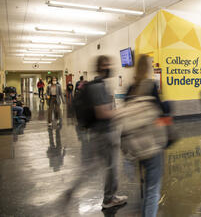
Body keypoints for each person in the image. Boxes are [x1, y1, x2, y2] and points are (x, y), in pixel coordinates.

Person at [65, 56, 127, 209]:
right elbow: (102, 113)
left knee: (92, 167)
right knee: (111, 167)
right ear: (100, 67)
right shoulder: (98, 86)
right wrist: (121, 112)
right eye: (107, 64)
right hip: (105, 133)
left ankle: (73, 189)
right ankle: (108, 199)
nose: (110, 67)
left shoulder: (97, 85)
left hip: (97, 132)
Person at [124, 54, 167, 217]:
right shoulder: (151, 86)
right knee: (152, 189)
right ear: (149, 68)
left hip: (135, 145)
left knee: (144, 187)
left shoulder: (130, 88)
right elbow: (161, 113)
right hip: (152, 144)